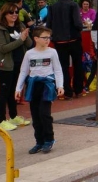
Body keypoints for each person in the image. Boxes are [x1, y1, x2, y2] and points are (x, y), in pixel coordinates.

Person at [15, 26, 64, 154]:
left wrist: (60, 86)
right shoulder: (29, 54)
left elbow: (58, 70)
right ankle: (39, 142)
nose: (47, 40)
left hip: (47, 85)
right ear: (36, 38)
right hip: (33, 86)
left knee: (44, 113)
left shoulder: (52, 52)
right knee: (35, 116)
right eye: (44, 37)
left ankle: (49, 139)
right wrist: (18, 88)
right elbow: (23, 71)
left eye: (49, 37)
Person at [0, 3, 33, 130]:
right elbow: (3, 48)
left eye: (16, 12)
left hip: (19, 64)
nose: (14, 14)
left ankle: (13, 116)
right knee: (4, 92)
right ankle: (1, 120)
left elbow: (29, 44)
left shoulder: (20, 25)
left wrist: (25, 35)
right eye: (11, 12)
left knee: (14, 91)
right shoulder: (0, 29)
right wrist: (20, 40)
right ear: (5, 14)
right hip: (5, 65)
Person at [46, 0, 84, 99]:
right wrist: (79, 28)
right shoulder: (73, 5)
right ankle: (78, 89)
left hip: (59, 41)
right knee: (78, 64)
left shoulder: (52, 6)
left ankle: (67, 91)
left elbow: (48, 24)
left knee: (62, 66)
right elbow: (78, 23)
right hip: (73, 39)